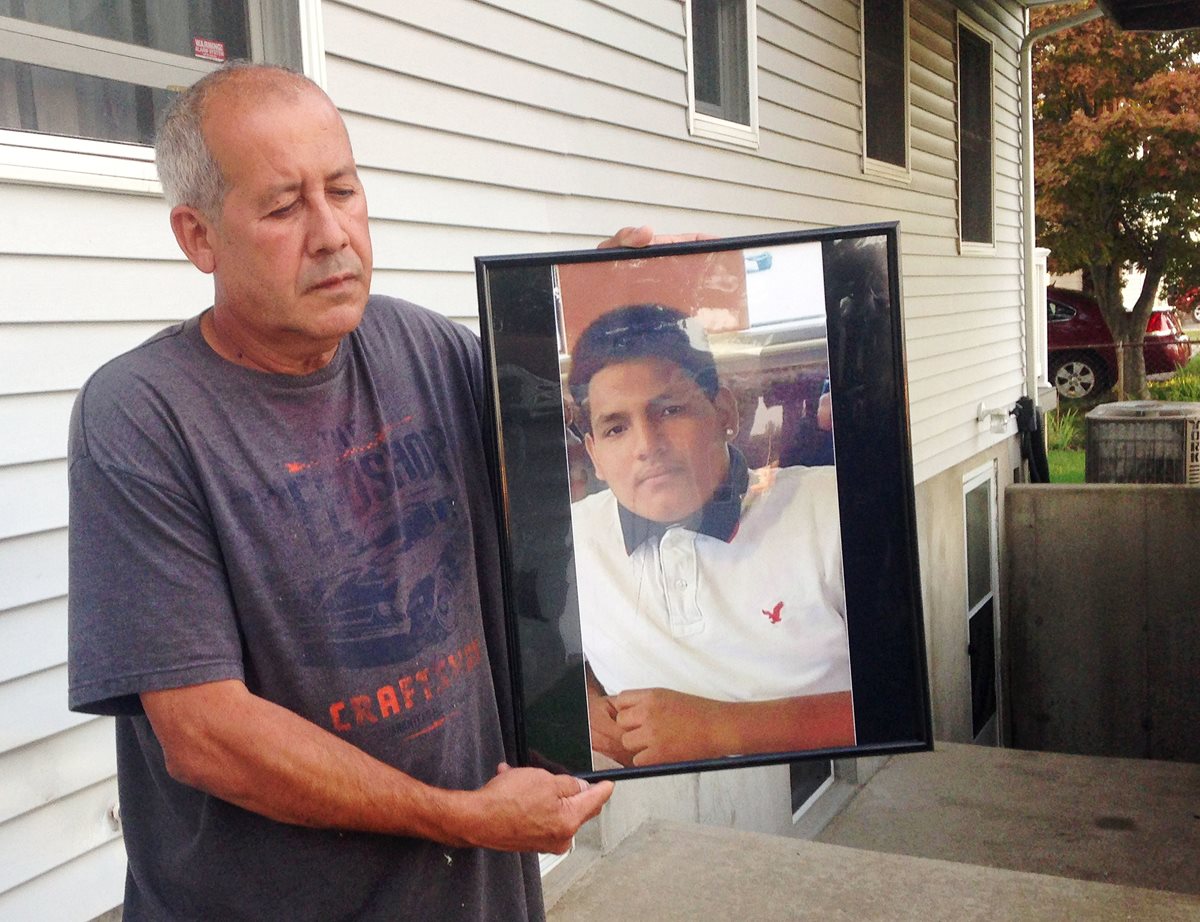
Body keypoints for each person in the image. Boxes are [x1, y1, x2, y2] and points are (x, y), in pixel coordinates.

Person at [65, 61, 651, 921]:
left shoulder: (428, 349)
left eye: (342, 190)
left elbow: (558, 483)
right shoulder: (143, 417)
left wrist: (597, 322)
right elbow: (206, 735)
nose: (332, 233)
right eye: (283, 207)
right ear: (199, 237)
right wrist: (463, 817)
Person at [565, 304, 855, 769]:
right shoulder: (571, 541)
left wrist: (720, 729)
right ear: (595, 455)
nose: (647, 445)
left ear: (724, 412)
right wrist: (580, 700)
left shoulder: (832, 510)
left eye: (670, 410)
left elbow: (903, 702)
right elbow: (547, 655)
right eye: (616, 428)